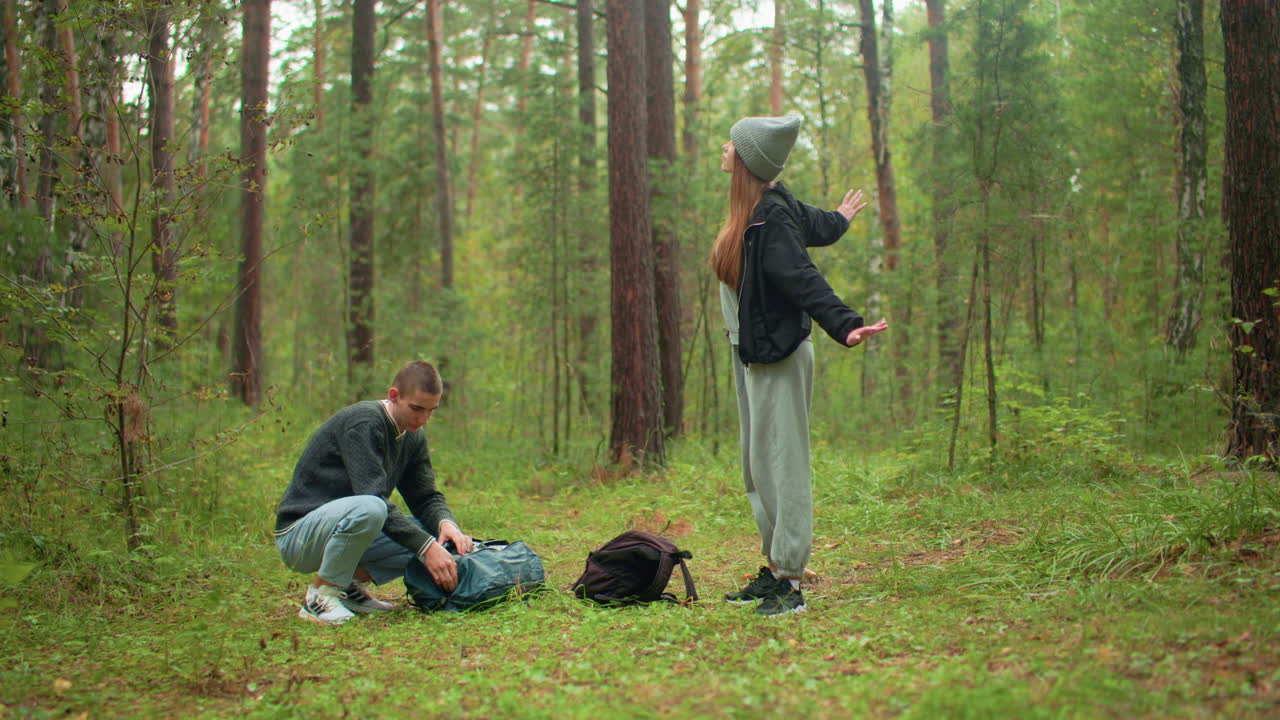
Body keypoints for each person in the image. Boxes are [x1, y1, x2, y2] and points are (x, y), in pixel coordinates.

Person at [710, 115, 889, 616]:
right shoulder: (769, 206)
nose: (725, 147)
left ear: (746, 161)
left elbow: (802, 276)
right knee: (756, 465)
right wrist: (841, 218)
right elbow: (817, 224)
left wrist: (845, 323)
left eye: (733, 143)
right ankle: (774, 569)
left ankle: (790, 582)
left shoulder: (770, 219)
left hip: (778, 355)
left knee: (782, 464)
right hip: (750, 354)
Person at [274, 360, 474, 625]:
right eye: (416, 408)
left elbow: (425, 496)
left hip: (344, 527)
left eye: (431, 411)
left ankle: (345, 587)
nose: (423, 419)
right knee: (374, 508)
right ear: (394, 395)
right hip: (299, 537)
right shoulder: (364, 422)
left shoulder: (413, 435)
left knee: (431, 536)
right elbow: (372, 497)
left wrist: (446, 524)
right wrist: (426, 549)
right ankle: (320, 597)